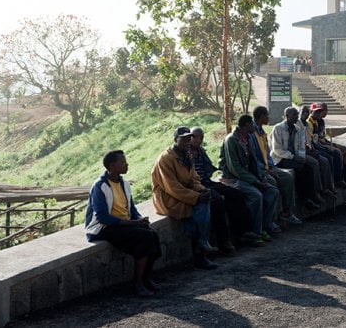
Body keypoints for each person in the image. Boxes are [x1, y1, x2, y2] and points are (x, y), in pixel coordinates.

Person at [85, 150, 162, 297]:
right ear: (112, 166)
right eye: (123, 162)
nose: (126, 164)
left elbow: (131, 208)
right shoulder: (100, 186)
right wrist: (133, 223)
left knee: (152, 234)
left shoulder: (124, 183)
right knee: (143, 237)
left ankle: (146, 278)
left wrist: (140, 219)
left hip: (123, 223)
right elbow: (102, 218)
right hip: (104, 227)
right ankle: (138, 284)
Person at [150, 126, 218, 270]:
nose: (187, 142)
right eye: (184, 139)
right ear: (175, 140)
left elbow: (194, 179)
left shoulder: (187, 156)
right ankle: (202, 248)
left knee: (208, 201)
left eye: (189, 139)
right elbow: (172, 187)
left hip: (184, 194)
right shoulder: (166, 159)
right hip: (168, 198)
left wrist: (202, 190)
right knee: (196, 215)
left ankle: (202, 247)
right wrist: (196, 196)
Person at [218, 114, 280, 246]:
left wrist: (261, 178)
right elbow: (234, 168)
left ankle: (265, 226)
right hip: (232, 179)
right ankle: (253, 232)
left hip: (248, 177)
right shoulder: (231, 140)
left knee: (272, 191)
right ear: (246, 125)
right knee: (256, 195)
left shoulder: (249, 138)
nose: (254, 126)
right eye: (252, 124)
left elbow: (254, 162)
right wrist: (254, 181)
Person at [188, 126, 248, 253]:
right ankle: (223, 242)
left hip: (207, 181)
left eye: (201, 137)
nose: (198, 140)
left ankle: (242, 232)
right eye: (195, 137)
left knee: (235, 193)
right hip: (196, 186)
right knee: (217, 200)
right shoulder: (186, 154)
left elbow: (207, 169)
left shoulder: (200, 151)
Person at [252, 105, 304, 225]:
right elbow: (254, 158)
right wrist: (267, 169)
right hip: (259, 169)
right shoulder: (253, 134)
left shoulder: (262, 132)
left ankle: (287, 212)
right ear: (261, 117)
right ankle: (270, 220)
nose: (268, 117)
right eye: (267, 115)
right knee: (273, 184)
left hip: (269, 166)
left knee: (288, 177)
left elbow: (267, 154)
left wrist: (270, 166)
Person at [308, 101, 346, 185]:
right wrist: (326, 146)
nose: (324, 112)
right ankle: (339, 180)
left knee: (344, 150)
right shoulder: (310, 122)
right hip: (319, 145)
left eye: (323, 110)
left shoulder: (320, 121)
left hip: (324, 142)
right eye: (322, 111)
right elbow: (314, 140)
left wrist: (329, 143)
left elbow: (322, 136)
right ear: (311, 112)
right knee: (337, 152)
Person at [300, 104, 346, 191]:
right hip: (308, 150)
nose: (319, 113)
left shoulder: (317, 122)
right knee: (330, 156)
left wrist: (326, 145)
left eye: (320, 111)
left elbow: (315, 139)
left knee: (340, 151)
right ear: (311, 112)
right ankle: (329, 186)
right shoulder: (308, 124)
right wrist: (323, 147)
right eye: (316, 112)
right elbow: (312, 141)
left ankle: (341, 179)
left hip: (316, 146)